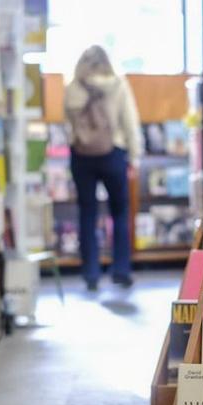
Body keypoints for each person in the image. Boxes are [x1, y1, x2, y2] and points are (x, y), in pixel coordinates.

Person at [64, 46, 142, 291]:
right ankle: (121, 269)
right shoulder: (117, 85)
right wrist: (134, 156)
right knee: (119, 212)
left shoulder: (72, 87)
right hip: (113, 153)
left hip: (81, 155)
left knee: (87, 213)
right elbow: (130, 121)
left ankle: (91, 273)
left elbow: (68, 125)